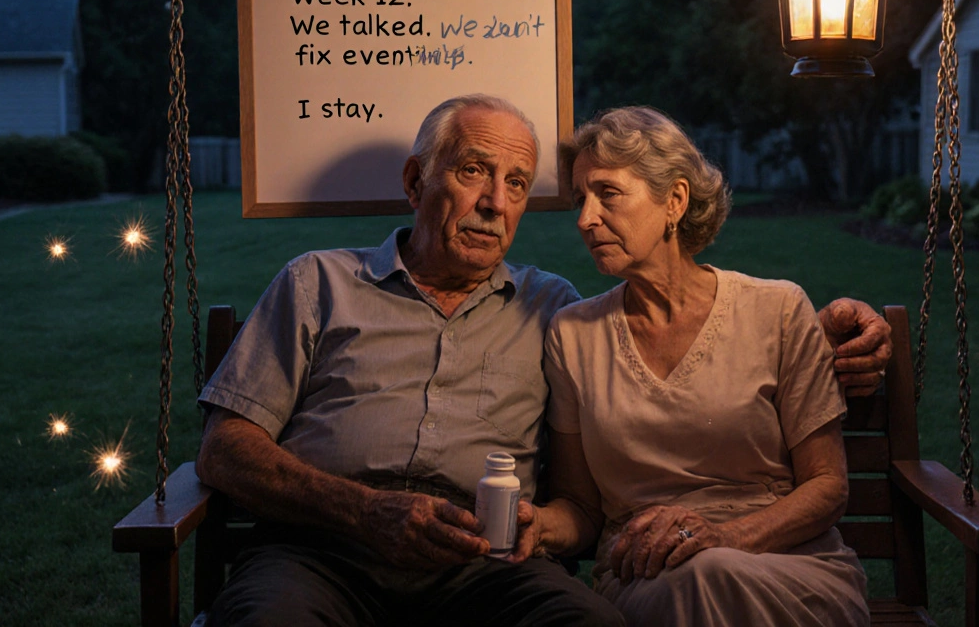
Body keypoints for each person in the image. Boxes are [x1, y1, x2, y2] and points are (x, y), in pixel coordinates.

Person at [195, 95, 887, 626]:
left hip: (481, 568)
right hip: (321, 553)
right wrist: (363, 511)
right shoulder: (316, 283)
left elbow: (710, 345)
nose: (497, 203)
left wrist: (842, 324)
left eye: (519, 184)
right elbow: (225, 451)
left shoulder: (549, 308)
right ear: (415, 181)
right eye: (474, 172)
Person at [513, 106, 872, 626]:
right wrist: (538, 526)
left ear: (675, 200)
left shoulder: (777, 310)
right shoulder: (574, 336)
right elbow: (583, 508)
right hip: (648, 573)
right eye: (580, 199)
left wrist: (725, 538)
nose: (585, 219)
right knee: (701, 579)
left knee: (712, 574)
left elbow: (827, 486)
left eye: (607, 194)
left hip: (787, 565)